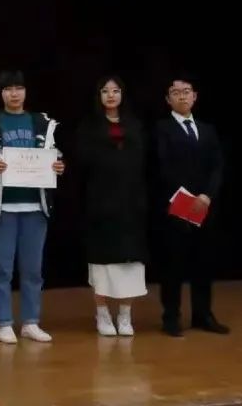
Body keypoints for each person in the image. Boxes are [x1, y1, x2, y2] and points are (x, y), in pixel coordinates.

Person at [0, 70, 65, 344]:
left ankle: (31, 322)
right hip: (2, 207)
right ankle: (4, 322)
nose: (14, 94)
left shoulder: (41, 122)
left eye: (19, 88)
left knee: (33, 269)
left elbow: (54, 154)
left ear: (25, 91)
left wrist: (58, 165)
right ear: (1, 93)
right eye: (8, 89)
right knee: (2, 269)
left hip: (35, 206)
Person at [72, 76, 148, 337]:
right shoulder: (88, 126)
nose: (111, 95)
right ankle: (102, 313)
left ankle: (125, 315)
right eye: (105, 91)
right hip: (100, 204)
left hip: (131, 204)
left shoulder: (135, 125)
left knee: (130, 262)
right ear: (99, 96)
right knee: (102, 263)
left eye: (116, 90)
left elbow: (143, 162)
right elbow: (82, 162)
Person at [155, 75, 229, 337]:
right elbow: (162, 166)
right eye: (176, 92)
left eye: (186, 91)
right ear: (168, 99)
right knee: (173, 265)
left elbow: (217, 166)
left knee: (204, 263)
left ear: (195, 96)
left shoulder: (207, 129)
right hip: (176, 206)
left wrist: (207, 195)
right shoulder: (161, 129)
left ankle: (203, 314)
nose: (182, 96)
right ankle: (171, 317)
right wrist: (187, 199)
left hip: (205, 207)